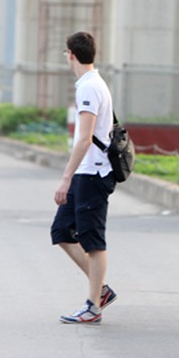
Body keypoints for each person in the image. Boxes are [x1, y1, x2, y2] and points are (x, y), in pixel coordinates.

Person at [51, 31, 117, 324]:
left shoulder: (89, 88)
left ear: (71, 55)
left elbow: (85, 138)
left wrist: (65, 178)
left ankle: (93, 305)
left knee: (93, 241)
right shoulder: (90, 84)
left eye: (66, 54)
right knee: (62, 230)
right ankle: (100, 290)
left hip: (92, 173)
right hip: (85, 172)